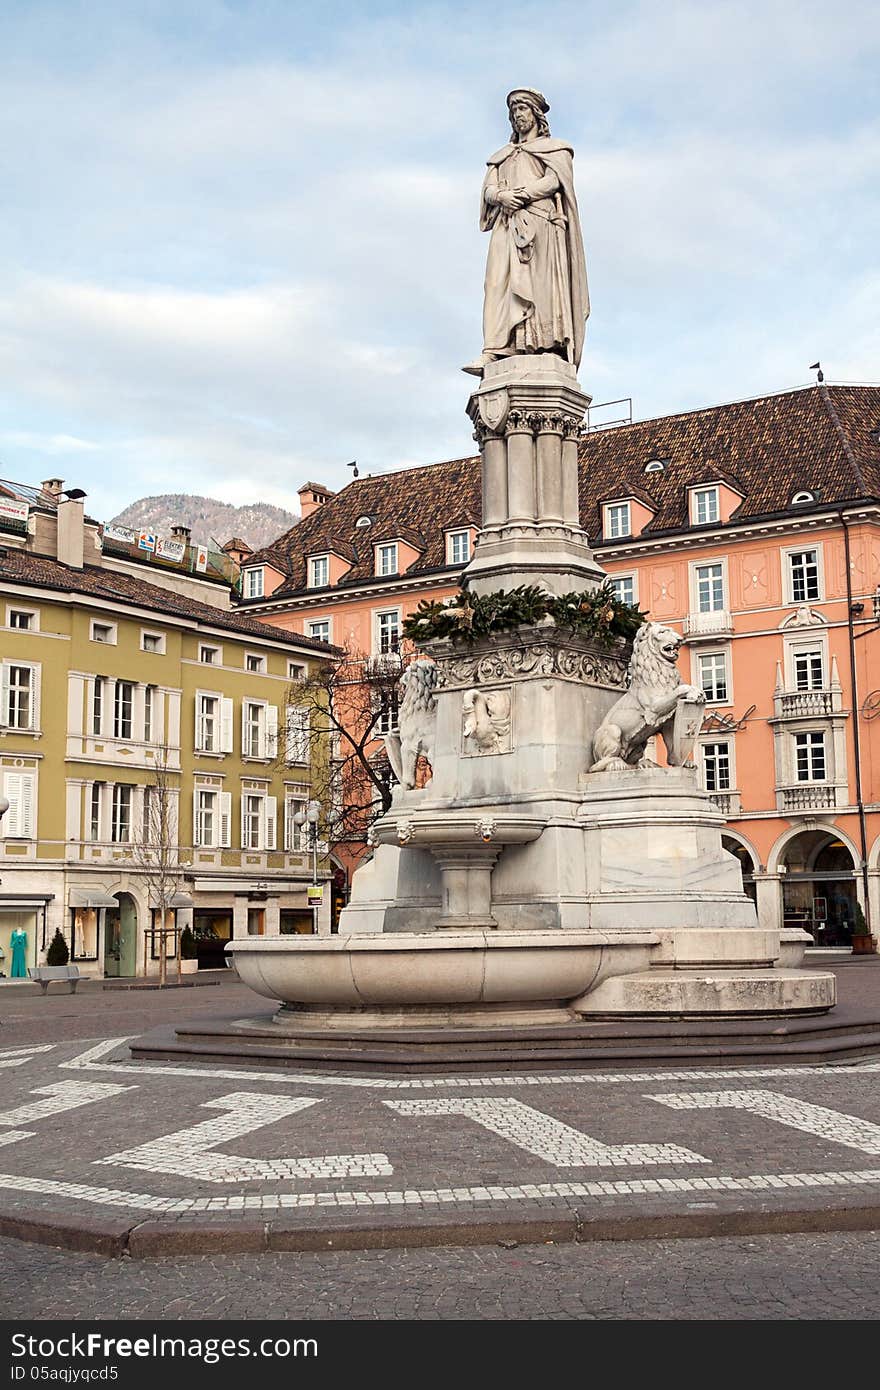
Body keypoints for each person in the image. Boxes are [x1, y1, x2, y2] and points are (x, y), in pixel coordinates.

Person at [464, 88, 589, 375]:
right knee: (496, 284)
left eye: (523, 109)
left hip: (541, 224)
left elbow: (554, 181)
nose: (519, 115)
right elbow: (488, 189)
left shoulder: (556, 149)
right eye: (514, 111)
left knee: (540, 286)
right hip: (506, 225)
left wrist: (521, 194)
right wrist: (499, 197)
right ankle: (494, 349)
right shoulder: (502, 156)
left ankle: (543, 344)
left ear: (536, 114)